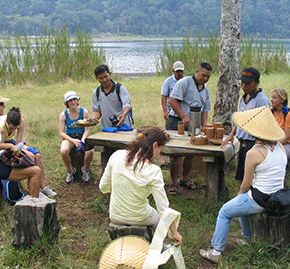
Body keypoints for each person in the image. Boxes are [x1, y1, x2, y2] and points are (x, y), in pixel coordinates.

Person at [200, 106, 287, 263]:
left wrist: (240, 193)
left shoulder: (255, 152)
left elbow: (246, 183)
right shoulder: (280, 147)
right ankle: (248, 238)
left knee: (225, 212)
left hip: (260, 198)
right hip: (277, 195)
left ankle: (216, 251)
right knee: (242, 206)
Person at [99, 127, 182, 245]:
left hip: (115, 215)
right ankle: (158, 248)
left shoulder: (117, 155)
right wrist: (174, 233)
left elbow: (103, 188)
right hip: (140, 216)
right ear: (155, 145)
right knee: (158, 220)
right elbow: (163, 208)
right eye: (160, 150)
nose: (159, 155)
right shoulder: (153, 170)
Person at [0, 92, 42, 198]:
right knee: (35, 171)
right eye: (1, 104)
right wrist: (9, 146)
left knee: (31, 163)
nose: (4, 107)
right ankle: (35, 205)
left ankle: (33, 199)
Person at [167, 62, 212, 195]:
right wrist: (183, 116)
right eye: (203, 75)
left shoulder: (205, 90)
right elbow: (173, 101)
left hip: (194, 124)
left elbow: (205, 110)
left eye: (208, 77)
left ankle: (184, 178)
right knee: (176, 154)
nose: (205, 78)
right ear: (197, 71)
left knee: (191, 153)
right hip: (177, 121)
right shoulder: (184, 83)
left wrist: (203, 126)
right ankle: (174, 182)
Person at [221, 67, 271, 181]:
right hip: (242, 140)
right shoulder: (244, 98)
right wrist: (231, 134)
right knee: (241, 173)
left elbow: (265, 124)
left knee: (252, 175)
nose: (244, 86)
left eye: (248, 83)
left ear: (257, 82)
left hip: (253, 142)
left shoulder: (261, 100)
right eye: (242, 82)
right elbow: (240, 119)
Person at [0, 107, 56, 197]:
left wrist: (20, 149)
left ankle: (42, 187)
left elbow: (18, 143)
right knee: (30, 158)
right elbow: (1, 146)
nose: (13, 131)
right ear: (6, 123)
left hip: (12, 143)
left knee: (37, 156)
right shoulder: (0, 127)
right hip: (2, 144)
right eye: (11, 128)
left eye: (15, 128)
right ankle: (33, 188)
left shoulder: (21, 122)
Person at [59, 90, 94, 183]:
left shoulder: (84, 112)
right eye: (70, 101)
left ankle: (85, 169)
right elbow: (62, 132)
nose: (73, 102)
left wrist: (82, 140)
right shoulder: (63, 114)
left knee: (90, 151)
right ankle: (70, 170)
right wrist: (73, 141)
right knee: (64, 150)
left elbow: (87, 130)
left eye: (74, 100)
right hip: (70, 137)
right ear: (67, 103)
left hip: (82, 135)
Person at [92, 64, 133, 128]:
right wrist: (91, 122)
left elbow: (127, 105)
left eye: (106, 76)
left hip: (124, 126)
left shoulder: (120, 89)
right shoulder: (96, 92)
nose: (104, 80)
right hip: (107, 128)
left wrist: (123, 115)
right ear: (97, 78)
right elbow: (97, 111)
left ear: (110, 74)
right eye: (101, 78)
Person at [270, 88, 290, 160]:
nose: (271, 100)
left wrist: (274, 146)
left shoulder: (289, 114)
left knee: (277, 156)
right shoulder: (271, 111)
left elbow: (287, 136)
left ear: (282, 100)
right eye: (271, 97)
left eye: (274, 98)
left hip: (288, 143)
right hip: (274, 141)